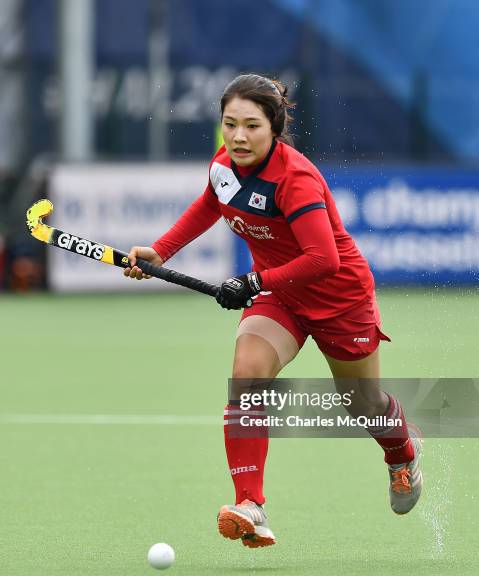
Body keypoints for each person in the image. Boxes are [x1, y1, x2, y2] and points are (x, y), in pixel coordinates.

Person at [124, 74, 423, 548]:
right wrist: (162, 251)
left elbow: (324, 258)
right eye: (229, 124)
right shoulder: (224, 164)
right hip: (281, 296)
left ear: (274, 127)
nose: (238, 136)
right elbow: (210, 204)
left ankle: (402, 453)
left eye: (251, 126)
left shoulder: (295, 179)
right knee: (247, 377)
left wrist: (253, 280)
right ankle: (250, 505)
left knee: (360, 404)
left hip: (339, 299)